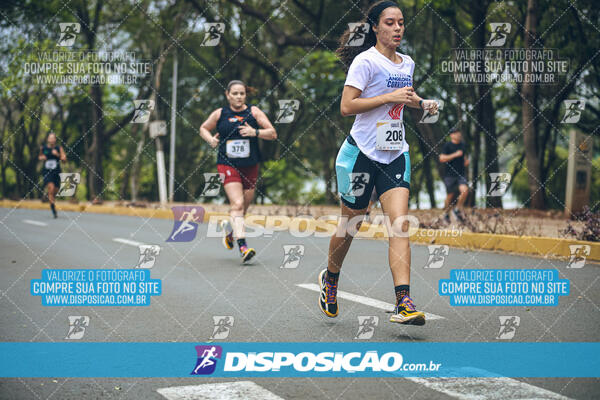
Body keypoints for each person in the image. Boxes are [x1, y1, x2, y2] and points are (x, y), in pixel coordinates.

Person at [319, 1, 438, 325]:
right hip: (361, 153)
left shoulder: (407, 64)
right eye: (390, 23)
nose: (398, 28)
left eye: (401, 22)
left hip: (395, 152)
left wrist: (422, 103)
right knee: (351, 223)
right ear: (375, 27)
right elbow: (347, 106)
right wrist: (388, 98)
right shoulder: (365, 62)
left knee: (399, 223)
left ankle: (403, 301)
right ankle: (330, 278)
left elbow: (408, 101)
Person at [199, 80, 277, 263]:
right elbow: (203, 128)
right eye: (235, 93)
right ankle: (243, 247)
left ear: (245, 95)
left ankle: (231, 232)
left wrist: (255, 132)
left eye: (242, 93)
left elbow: (273, 133)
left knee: (243, 209)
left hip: (250, 166)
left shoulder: (254, 112)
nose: (239, 97)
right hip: (227, 165)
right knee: (237, 205)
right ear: (228, 95)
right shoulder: (220, 114)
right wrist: (210, 139)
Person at [439, 128, 469, 223]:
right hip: (449, 175)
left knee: (465, 191)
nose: (458, 135)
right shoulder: (447, 145)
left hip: (461, 174)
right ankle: (446, 213)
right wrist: (455, 155)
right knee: (450, 196)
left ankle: (457, 210)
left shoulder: (463, 145)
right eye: (456, 133)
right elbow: (442, 158)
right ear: (451, 135)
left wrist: (465, 161)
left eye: (459, 133)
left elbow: (464, 155)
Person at [38, 132, 66, 218]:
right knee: (51, 188)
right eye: (50, 138)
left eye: (53, 138)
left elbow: (64, 160)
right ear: (48, 139)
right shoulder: (44, 148)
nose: (51, 140)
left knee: (55, 191)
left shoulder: (58, 148)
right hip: (47, 172)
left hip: (56, 172)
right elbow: (40, 156)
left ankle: (49, 197)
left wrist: (57, 154)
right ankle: (53, 209)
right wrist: (43, 157)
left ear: (55, 140)